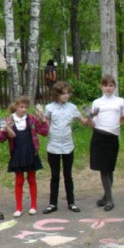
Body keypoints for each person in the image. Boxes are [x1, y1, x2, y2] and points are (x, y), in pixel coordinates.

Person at [87, 75, 124, 211]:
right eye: (105, 85)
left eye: (111, 85)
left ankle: (106, 197)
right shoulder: (96, 102)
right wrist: (90, 117)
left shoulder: (120, 101)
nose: (108, 88)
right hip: (99, 136)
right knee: (103, 169)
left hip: (113, 137)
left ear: (114, 87)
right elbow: (92, 123)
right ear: (101, 87)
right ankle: (109, 200)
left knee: (109, 168)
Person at [0, 96, 49, 217]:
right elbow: (1, 139)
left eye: (26, 107)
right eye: (21, 107)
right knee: (19, 180)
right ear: (16, 106)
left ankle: (33, 206)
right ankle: (19, 208)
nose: (23, 109)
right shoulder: (9, 120)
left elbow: (44, 132)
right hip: (17, 153)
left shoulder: (31, 119)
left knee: (32, 179)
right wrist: (5, 128)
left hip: (31, 152)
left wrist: (43, 120)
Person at [43, 81, 87, 214]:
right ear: (56, 94)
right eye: (63, 93)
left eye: (68, 93)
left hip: (68, 145)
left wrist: (90, 116)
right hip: (53, 146)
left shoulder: (72, 107)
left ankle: (71, 202)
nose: (66, 96)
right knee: (54, 176)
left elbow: (84, 122)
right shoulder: (49, 107)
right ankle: (52, 204)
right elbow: (46, 127)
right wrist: (41, 119)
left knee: (68, 175)